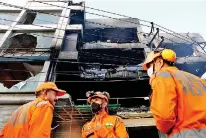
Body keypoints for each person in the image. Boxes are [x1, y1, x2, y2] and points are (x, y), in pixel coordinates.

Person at [142, 48, 206, 138]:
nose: (148, 69)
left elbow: (164, 117)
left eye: (149, 65)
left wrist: (164, 129)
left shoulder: (161, 77)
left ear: (159, 62)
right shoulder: (199, 80)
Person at [0, 82, 66, 138]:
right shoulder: (45, 106)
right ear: (44, 92)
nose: (57, 98)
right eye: (54, 94)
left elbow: (3, 134)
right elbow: (39, 135)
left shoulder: (22, 108)